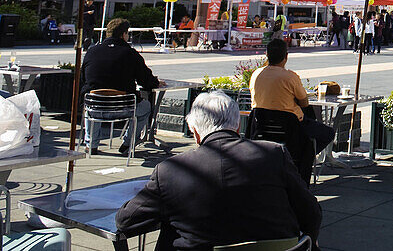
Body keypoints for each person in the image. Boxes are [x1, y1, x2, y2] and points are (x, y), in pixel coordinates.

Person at [116, 90, 322, 251]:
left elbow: (126, 221)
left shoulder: (171, 171)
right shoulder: (274, 154)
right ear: (237, 126)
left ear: (195, 133)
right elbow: (311, 212)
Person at [81, 18, 162, 155]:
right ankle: (128, 143)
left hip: (94, 106)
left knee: (92, 103)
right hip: (123, 108)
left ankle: (91, 144)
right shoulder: (131, 54)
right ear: (124, 34)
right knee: (145, 107)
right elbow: (146, 80)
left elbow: (84, 78)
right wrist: (156, 82)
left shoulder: (92, 52)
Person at [249, 38, 337, 153]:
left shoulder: (256, 74)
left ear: (266, 54)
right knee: (328, 133)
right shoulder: (290, 77)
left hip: (260, 125)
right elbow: (304, 102)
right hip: (290, 126)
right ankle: (307, 157)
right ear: (286, 56)